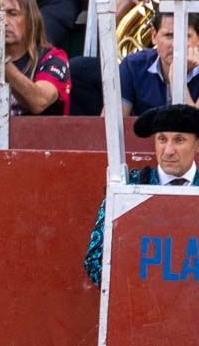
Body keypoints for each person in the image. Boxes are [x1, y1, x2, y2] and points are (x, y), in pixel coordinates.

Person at [83, 104, 198, 288]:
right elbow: (95, 259)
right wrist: (134, 295)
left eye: (179, 140)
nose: (168, 150)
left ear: (197, 144)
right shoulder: (130, 186)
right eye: (162, 139)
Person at [119, 11, 199, 115]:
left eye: (185, 36)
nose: (175, 45)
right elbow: (108, 125)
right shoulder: (132, 66)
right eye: (169, 35)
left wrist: (178, 77)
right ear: (154, 36)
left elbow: (194, 127)